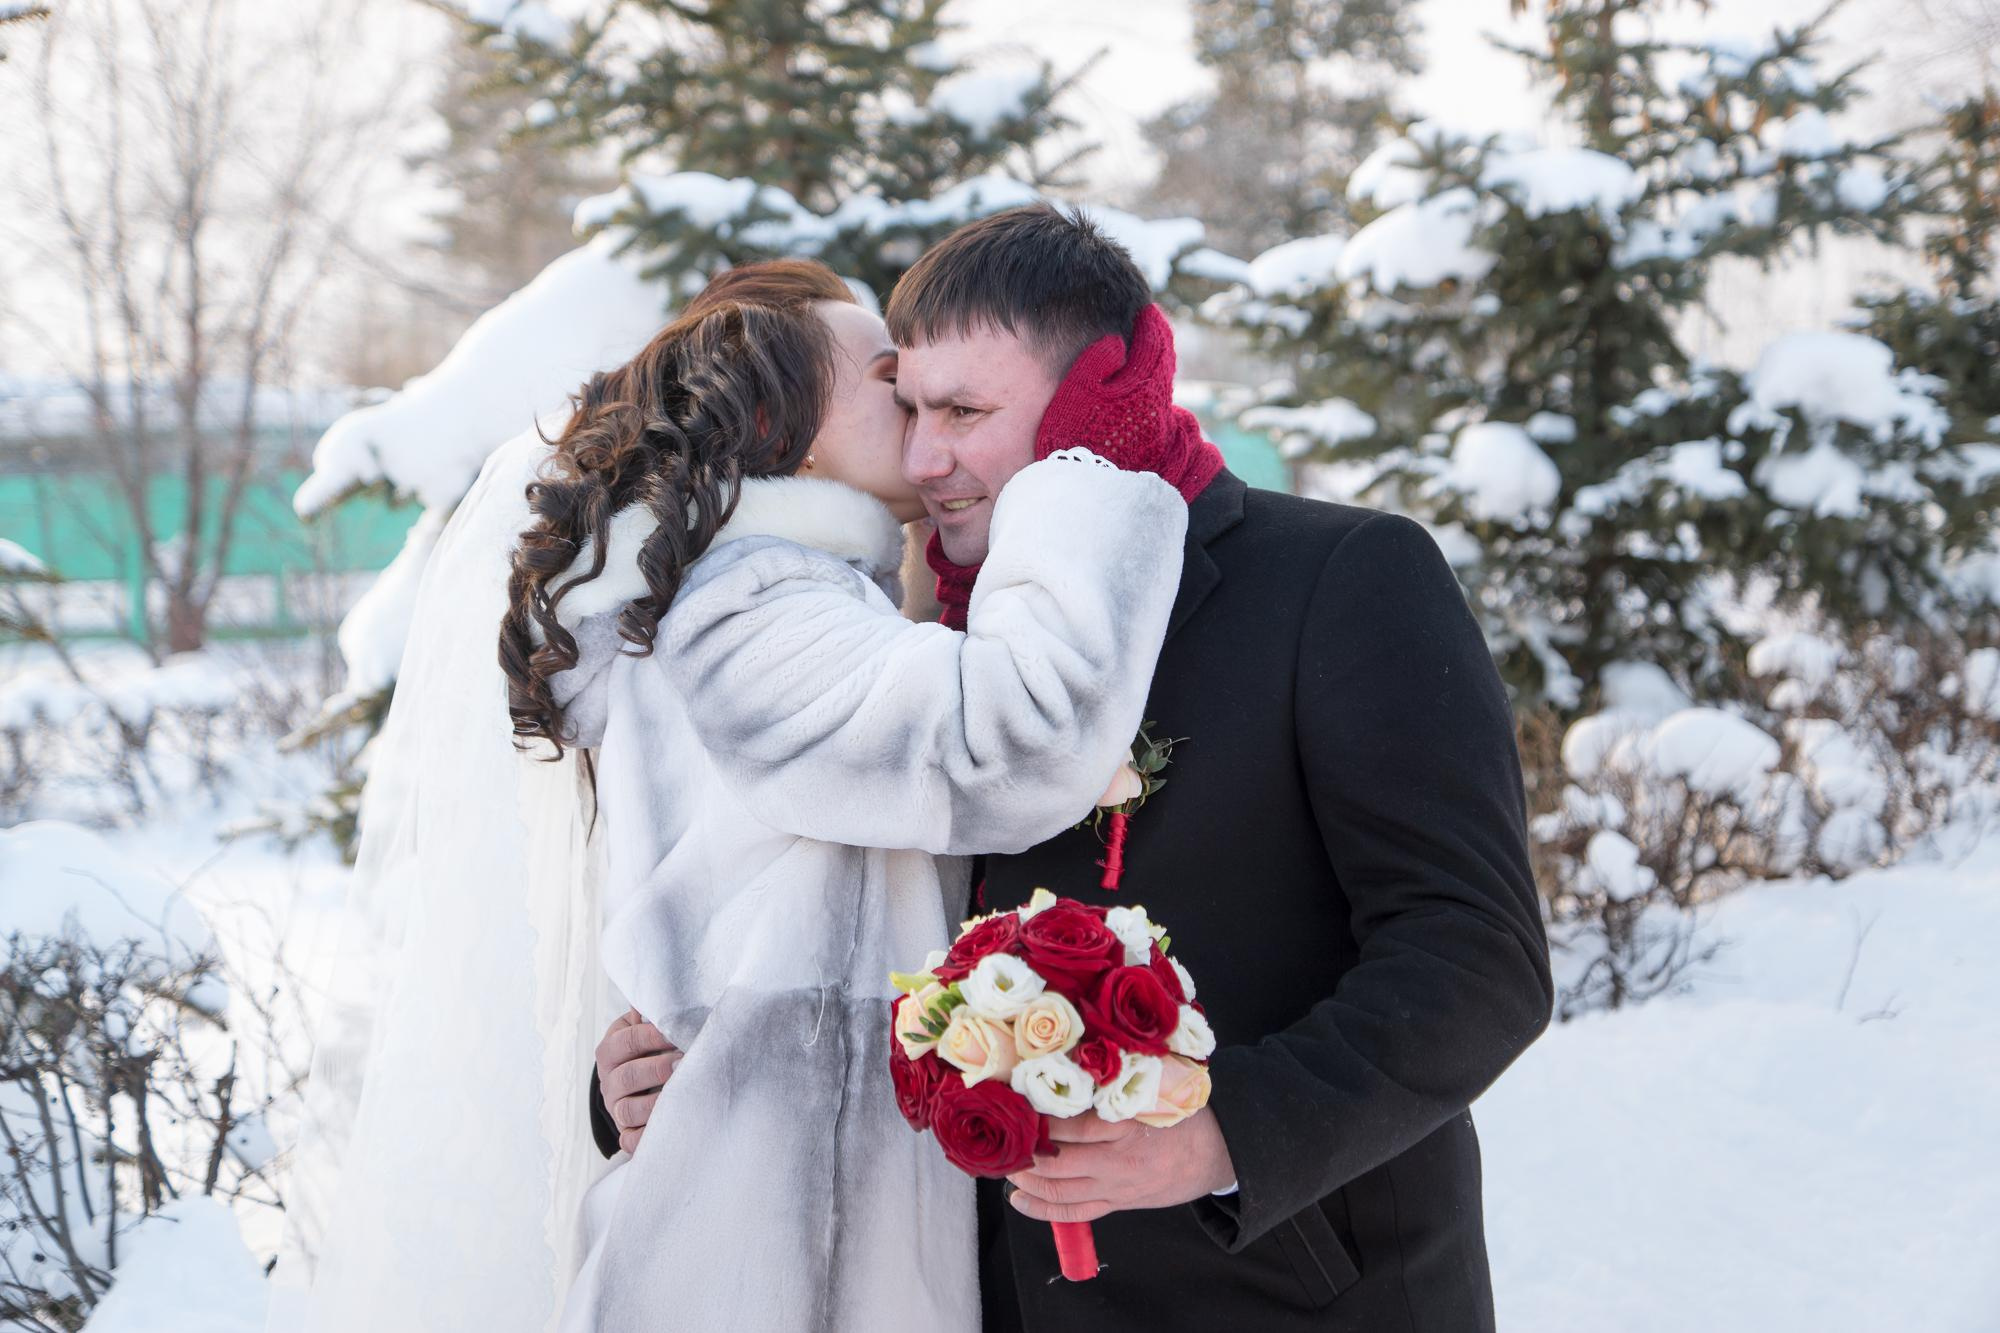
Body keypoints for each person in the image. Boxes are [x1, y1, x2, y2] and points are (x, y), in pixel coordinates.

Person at [598, 206, 1554, 1331]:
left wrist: (1225, 1132)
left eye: (964, 413)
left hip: (1291, 1294)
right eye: (909, 408)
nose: (923, 459)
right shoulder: (929, 645)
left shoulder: (1339, 576)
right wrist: (645, 1076)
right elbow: (821, 928)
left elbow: (1475, 955)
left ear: (1090, 407)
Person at [271, 258, 1192, 1333]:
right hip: (761, 1255)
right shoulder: (749, 606)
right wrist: (1084, 466)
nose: (918, 414)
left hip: (770, 1221)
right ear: (776, 425)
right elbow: (1008, 741)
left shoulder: (771, 604)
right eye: (888, 385)